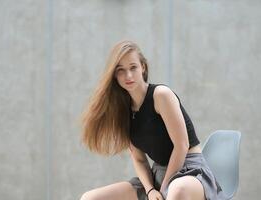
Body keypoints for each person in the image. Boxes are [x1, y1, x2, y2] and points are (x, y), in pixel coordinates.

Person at [79, 40, 226, 200]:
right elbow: (139, 160)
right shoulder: (123, 111)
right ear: (114, 75)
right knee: (89, 198)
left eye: (133, 67)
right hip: (157, 176)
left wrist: (164, 190)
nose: (128, 75)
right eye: (121, 70)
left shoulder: (161, 95)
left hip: (189, 170)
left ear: (143, 67)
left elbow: (181, 146)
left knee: (177, 190)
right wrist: (150, 191)